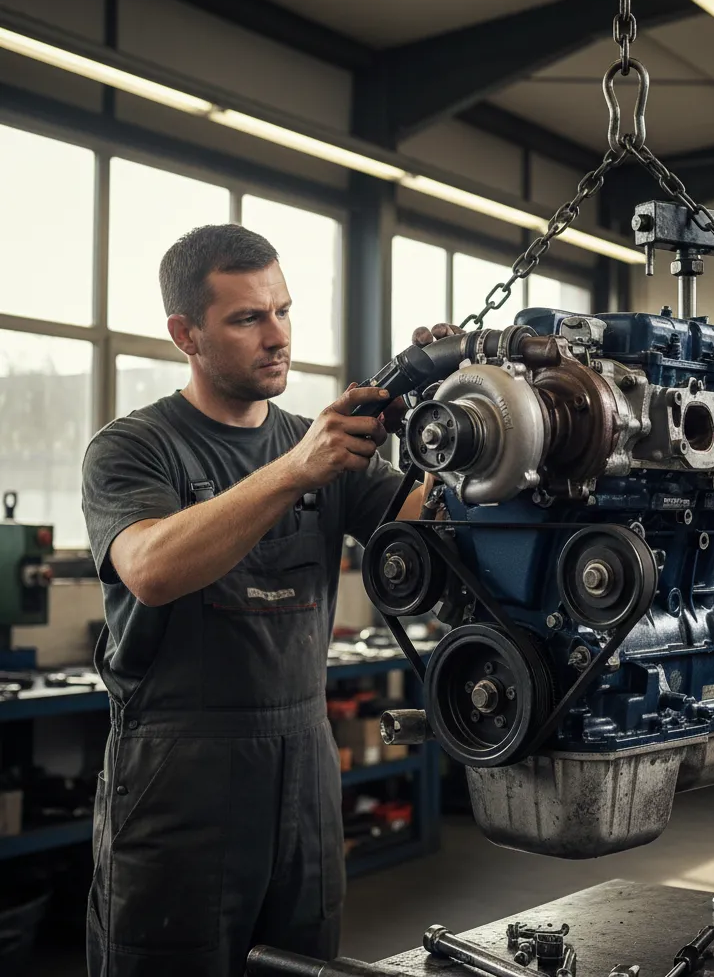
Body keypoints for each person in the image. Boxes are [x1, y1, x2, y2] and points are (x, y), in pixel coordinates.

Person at [82, 222, 458, 977]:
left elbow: (438, 539)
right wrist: (293, 471)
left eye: (282, 310)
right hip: (177, 772)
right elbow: (151, 568)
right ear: (185, 333)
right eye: (248, 318)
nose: (277, 335)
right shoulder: (133, 449)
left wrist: (449, 429)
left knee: (301, 964)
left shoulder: (325, 448)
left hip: (305, 766)